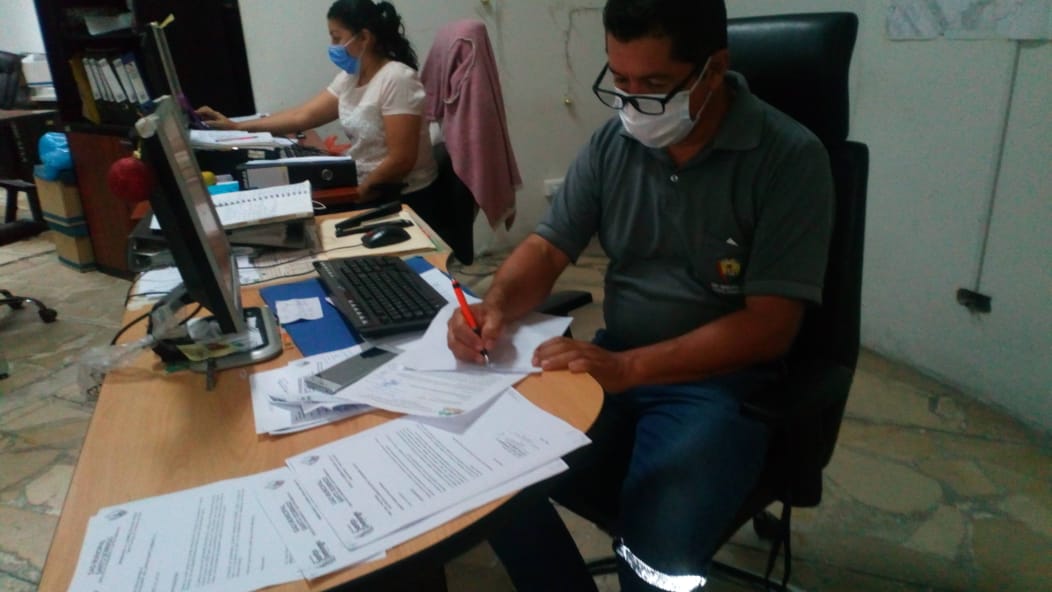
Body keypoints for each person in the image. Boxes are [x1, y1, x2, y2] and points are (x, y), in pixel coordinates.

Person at [446, 0, 834, 590]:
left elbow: (769, 326)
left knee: (658, 549)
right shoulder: (614, 143)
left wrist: (630, 369)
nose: (632, 104)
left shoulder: (789, 158)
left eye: (653, 85)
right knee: (489, 475)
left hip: (718, 384)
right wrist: (494, 306)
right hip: (613, 361)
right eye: (620, 81)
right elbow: (548, 249)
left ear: (714, 69)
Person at [195, 0, 439, 218]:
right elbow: (303, 116)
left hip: (401, 198)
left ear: (364, 38)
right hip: (366, 187)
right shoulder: (351, 78)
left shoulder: (397, 79)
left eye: (337, 37)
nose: (332, 46)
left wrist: (355, 197)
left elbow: (401, 160)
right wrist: (237, 127)